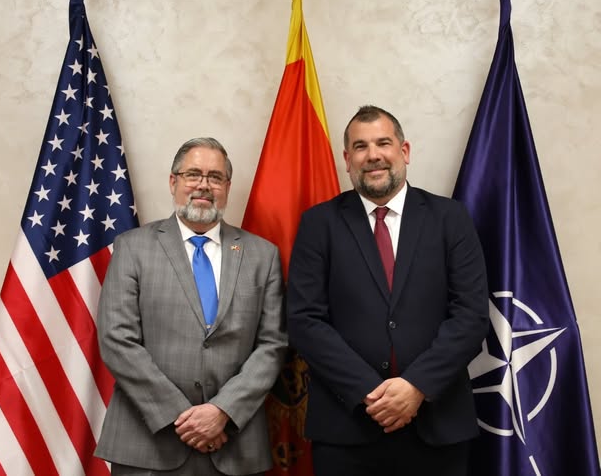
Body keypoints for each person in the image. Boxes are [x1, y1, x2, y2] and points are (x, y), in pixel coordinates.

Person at [286, 105, 489, 476]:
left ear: (404, 151)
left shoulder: (451, 218)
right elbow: (304, 321)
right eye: (360, 146)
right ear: (347, 160)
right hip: (347, 429)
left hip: (437, 426)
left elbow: (471, 316)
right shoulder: (318, 223)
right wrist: (371, 393)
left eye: (383, 143)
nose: (373, 155)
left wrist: (416, 387)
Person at [95, 137, 287, 476]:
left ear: (227, 187)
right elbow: (116, 339)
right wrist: (181, 417)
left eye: (215, 177)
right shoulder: (132, 247)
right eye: (193, 174)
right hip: (147, 443)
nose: (204, 185)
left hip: (234, 443)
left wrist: (222, 411)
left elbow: (272, 345)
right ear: (173, 182)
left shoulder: (263, 255)